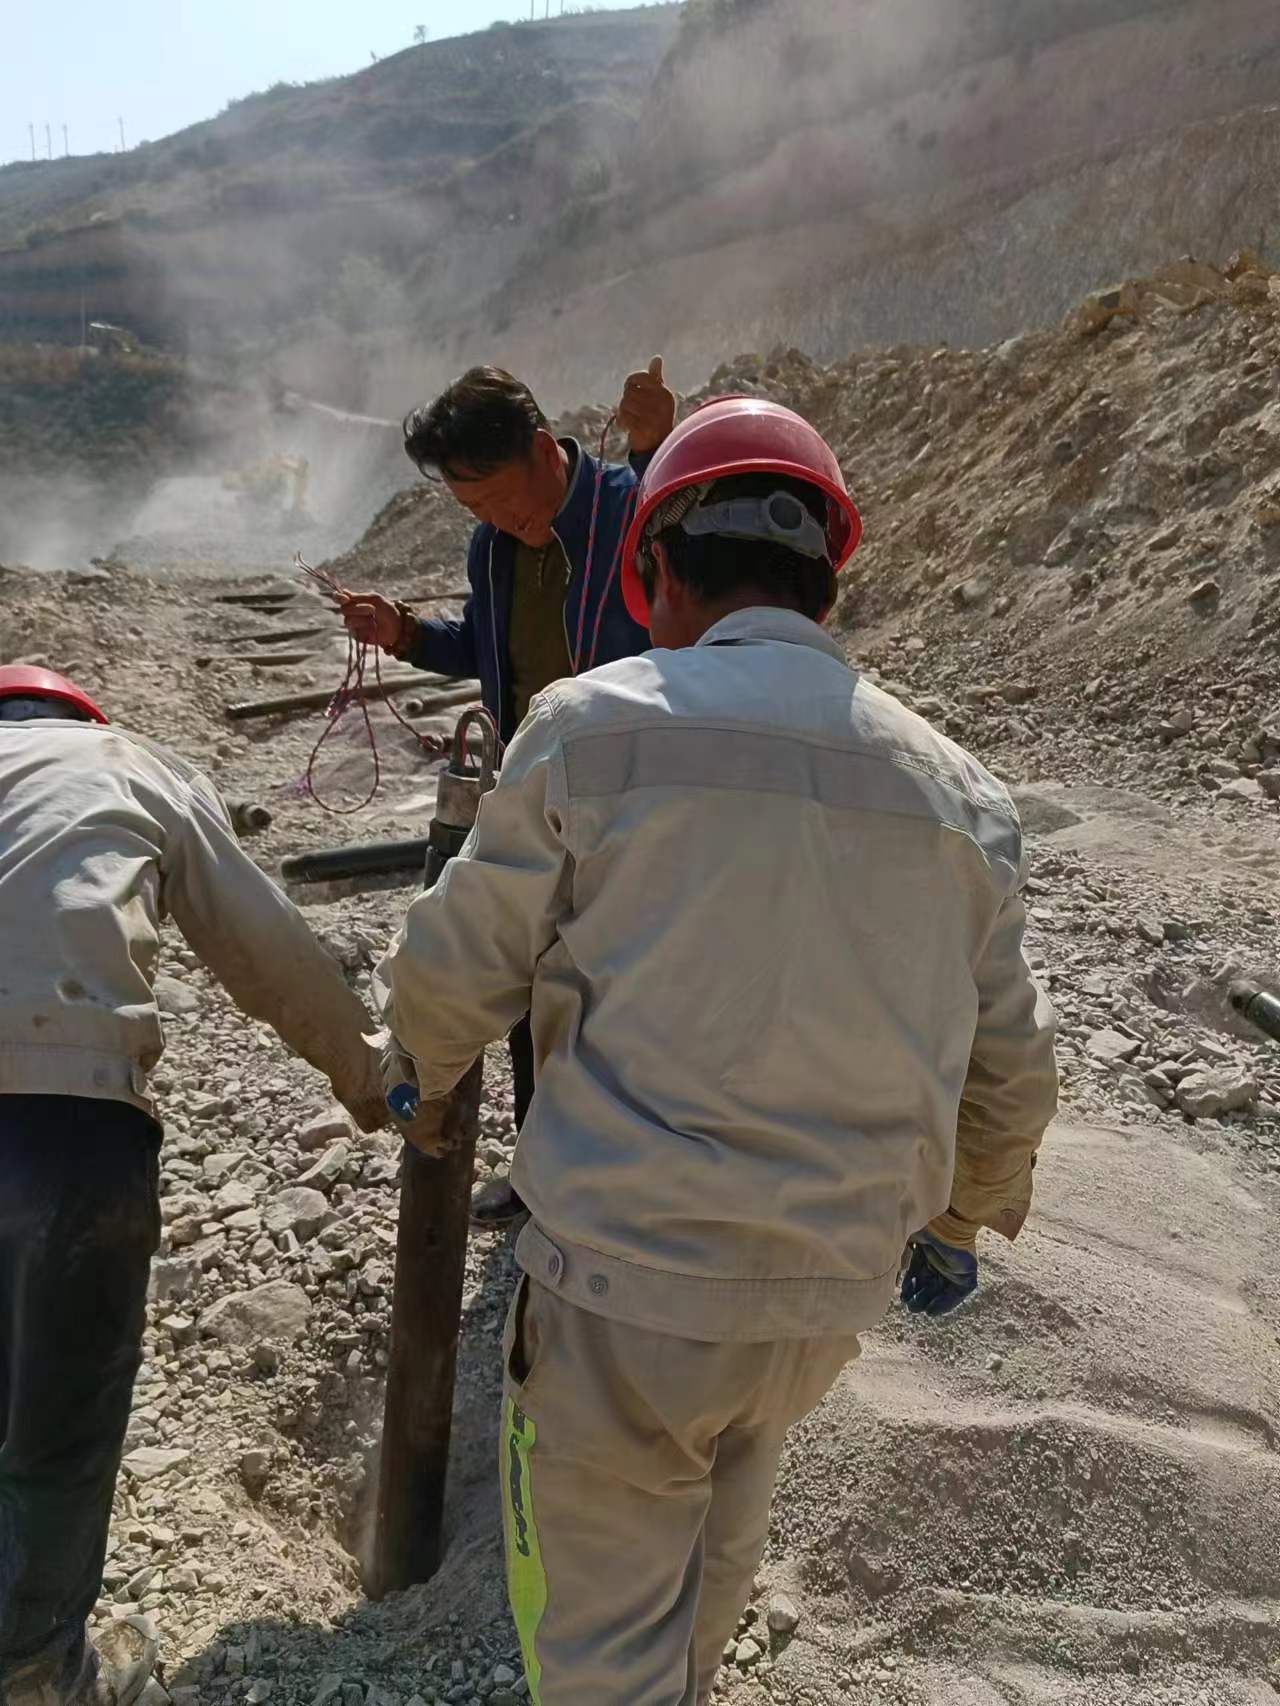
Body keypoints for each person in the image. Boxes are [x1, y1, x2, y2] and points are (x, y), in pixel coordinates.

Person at [375, 397, 1059, 1705]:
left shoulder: (591, 726)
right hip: (819, 1301)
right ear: (826, 581)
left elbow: (457, 967)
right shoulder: (960, 791)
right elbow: (1014, 1071)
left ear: (659, 575)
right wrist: (962, 1221)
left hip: (624, 1288)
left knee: (591, 1651)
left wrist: (412, 1069)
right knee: (709, 1583)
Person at [0, 667, 389, 1706]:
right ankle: (36, 1671)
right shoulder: (129, 763)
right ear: (84, 717)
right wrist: (371, 1083)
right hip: (68, 1120)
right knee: (57, 1416)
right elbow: (266, 951)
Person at [337, 359, 677, 1230]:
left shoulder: (629, 504)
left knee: (629, 992)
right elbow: (480, 651)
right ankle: (541, 1174)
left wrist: (657, 446)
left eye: (498, 498)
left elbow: (691, 562)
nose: (496, 520)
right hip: (536, 793)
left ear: (538, 448)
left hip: (640, 798)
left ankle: (636, 1182)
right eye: (475, 510)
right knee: (530, 989)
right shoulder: (492, 549)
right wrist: (405, 631)